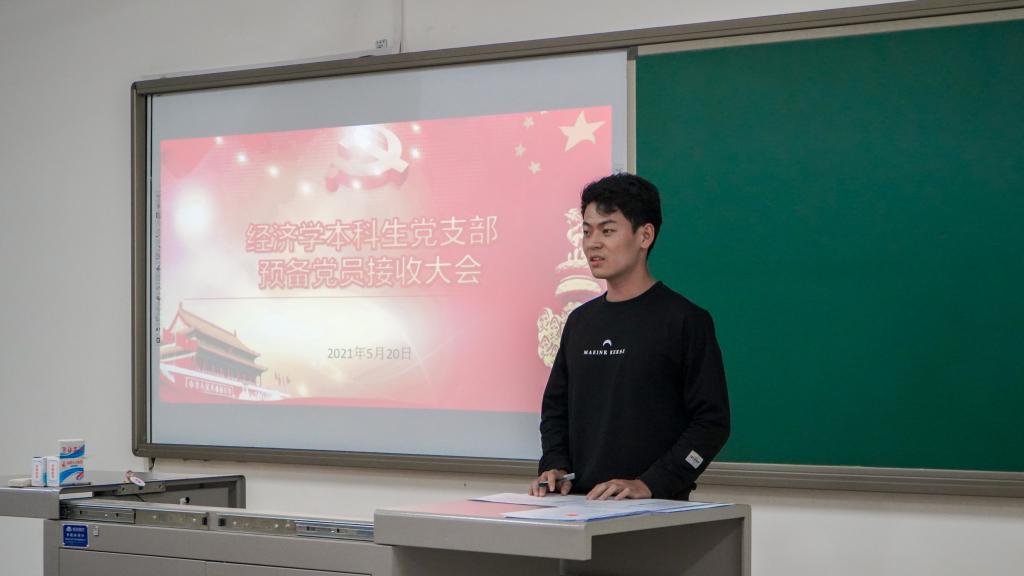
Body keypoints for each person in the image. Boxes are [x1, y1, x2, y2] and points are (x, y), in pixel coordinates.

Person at [531, 173, 730, 501]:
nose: (592, 243)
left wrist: (651, 483)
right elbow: (555, 409)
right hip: (577, 506)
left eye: (607, 230)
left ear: (645, 235)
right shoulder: (580, 322)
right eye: (587, 231)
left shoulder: (684, 320)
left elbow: (711, 423)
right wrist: (555, 464)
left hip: (653, 510)